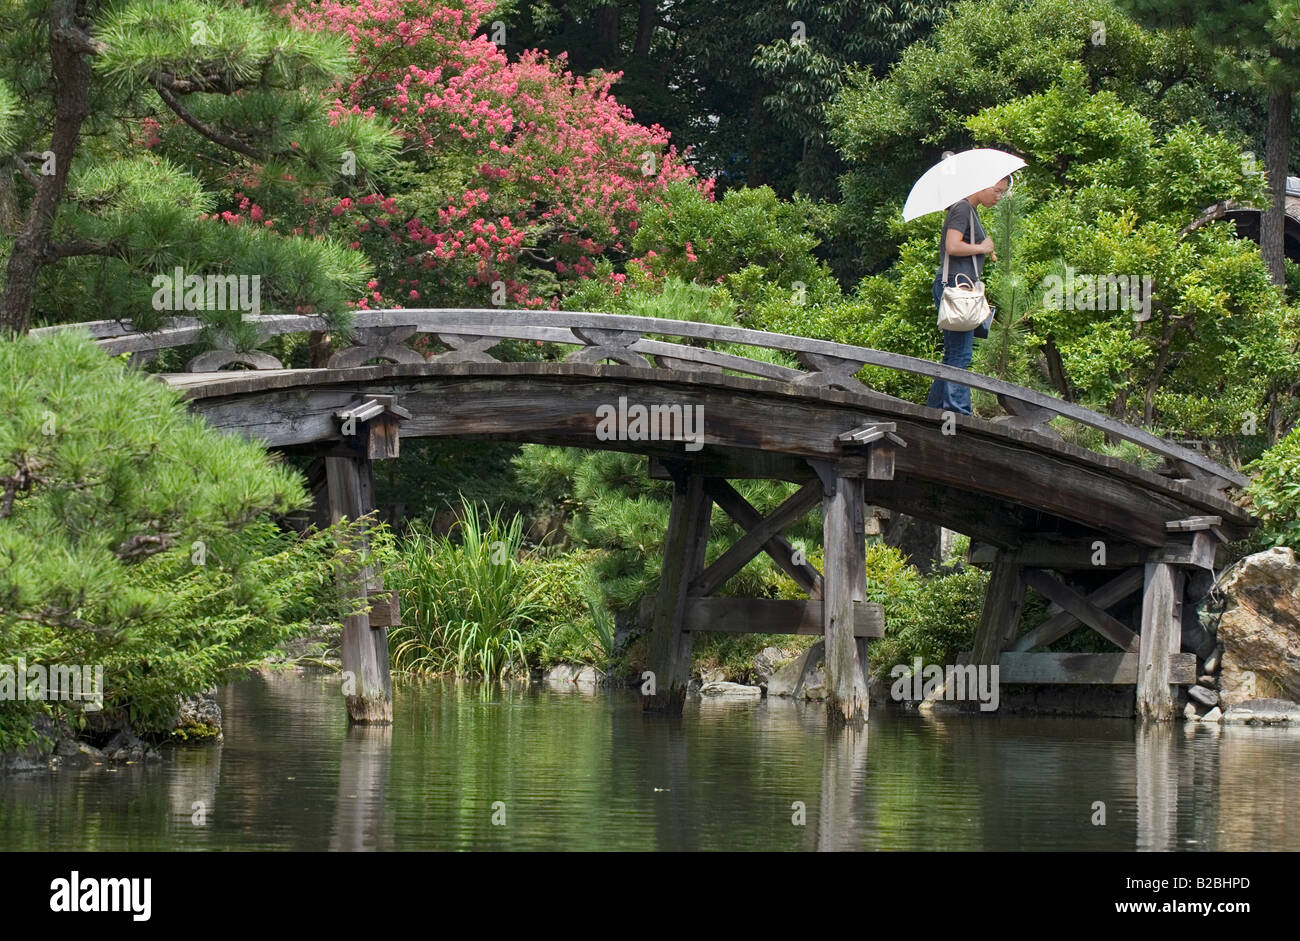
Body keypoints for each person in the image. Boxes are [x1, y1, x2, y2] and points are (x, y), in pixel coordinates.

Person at [925, 176, 1010, 415]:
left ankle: (934, 410)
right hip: (956, 286)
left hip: (962, 287)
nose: (998, 196)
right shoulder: (962, 207)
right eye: (996, 190)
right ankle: (957, 412)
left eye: (1001, 192)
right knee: (961, 353)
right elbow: (953, 246)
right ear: (981, 185)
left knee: (954, 352)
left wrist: (984, 250)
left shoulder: (970, 210)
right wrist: (982, 248)